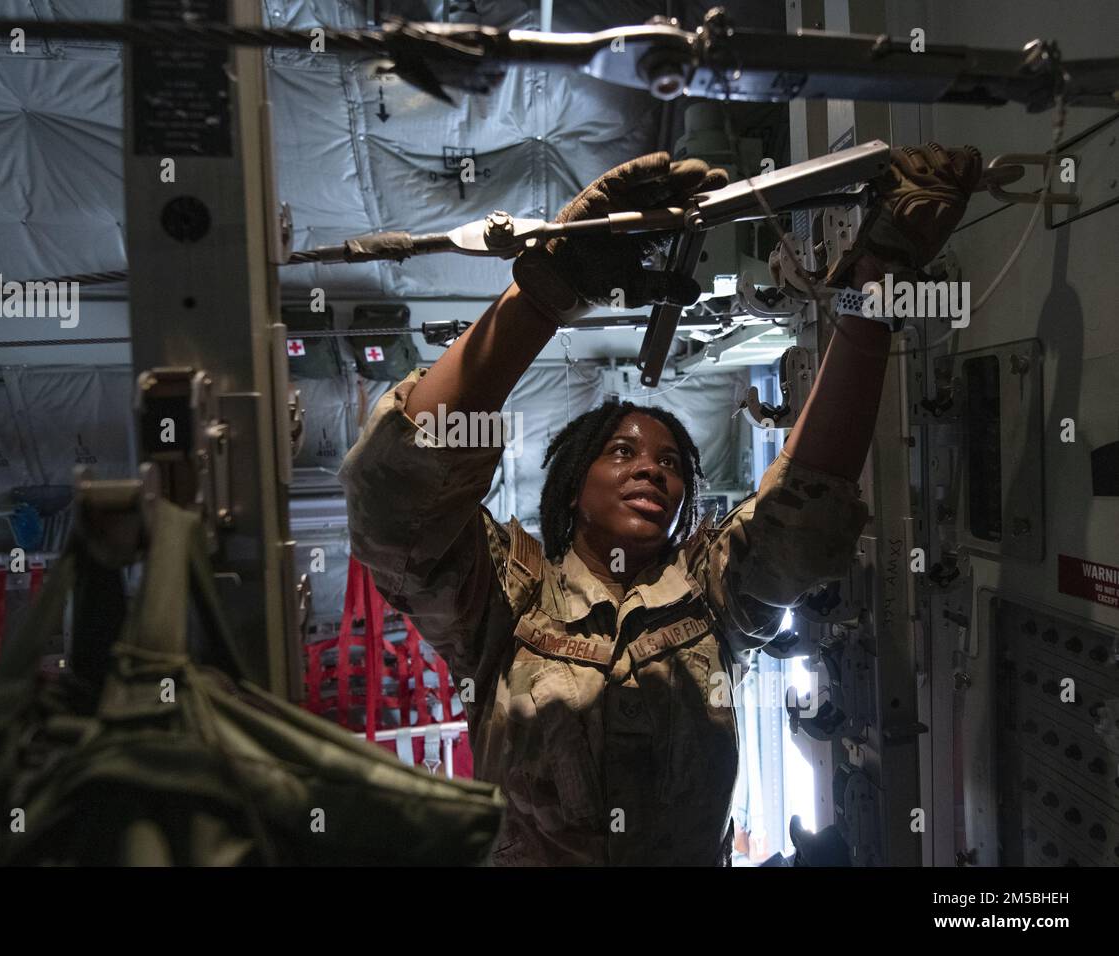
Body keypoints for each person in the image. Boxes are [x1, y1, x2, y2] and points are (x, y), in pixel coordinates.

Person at [339, 144, 983, 865]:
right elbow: (394, 505)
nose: (651, 469)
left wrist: (876, 289)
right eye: (621, 452)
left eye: (670, 463)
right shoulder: (505, 607)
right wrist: (547, 289)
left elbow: (805, 510)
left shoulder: (710, 597)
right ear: (572, 487)